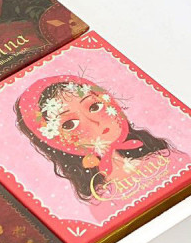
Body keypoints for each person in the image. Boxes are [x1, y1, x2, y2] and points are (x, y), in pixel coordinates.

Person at [15, 75, 180, 211]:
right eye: (69, 124)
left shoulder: (165, 157)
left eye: (94, 107)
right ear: (56, 140)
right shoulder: (99, 198)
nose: (94, 122)